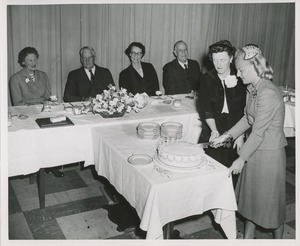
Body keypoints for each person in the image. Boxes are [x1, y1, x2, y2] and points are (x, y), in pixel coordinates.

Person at [212, 45, 287, 239]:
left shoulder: (268, 92)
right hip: (254, 150)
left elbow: (259, 132)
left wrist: (241, 158)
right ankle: (247, 240)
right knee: (252, 202)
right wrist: (226, 136)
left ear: (255, 67)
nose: (237, 74)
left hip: (269, 155)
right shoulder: (252, 88)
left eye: (241, 70)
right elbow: (247, 119)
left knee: (270, 205)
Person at [9, 47, 64, 177]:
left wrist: (51, 101)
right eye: (30, 60)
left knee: (55, 131)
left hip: (43, 111)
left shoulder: (43, 75)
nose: (33, 62)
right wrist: (38, 106)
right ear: (23, 62)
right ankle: (36, 165)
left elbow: (47, 96)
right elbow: (17, 104)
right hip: (27, 114)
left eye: (35, 59)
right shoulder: (15, 79)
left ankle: (52, 164)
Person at [198, 40, 246, 186]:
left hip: (237, 125)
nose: (219, 65)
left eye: (223, 60)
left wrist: (240, 135)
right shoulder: (206, 79)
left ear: (231, 59)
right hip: (213, 124)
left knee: (233, 172)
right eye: (215, 60)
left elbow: (245, 109)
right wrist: (214, 131)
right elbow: (207, 109)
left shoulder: (241, 77)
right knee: (211, 169)